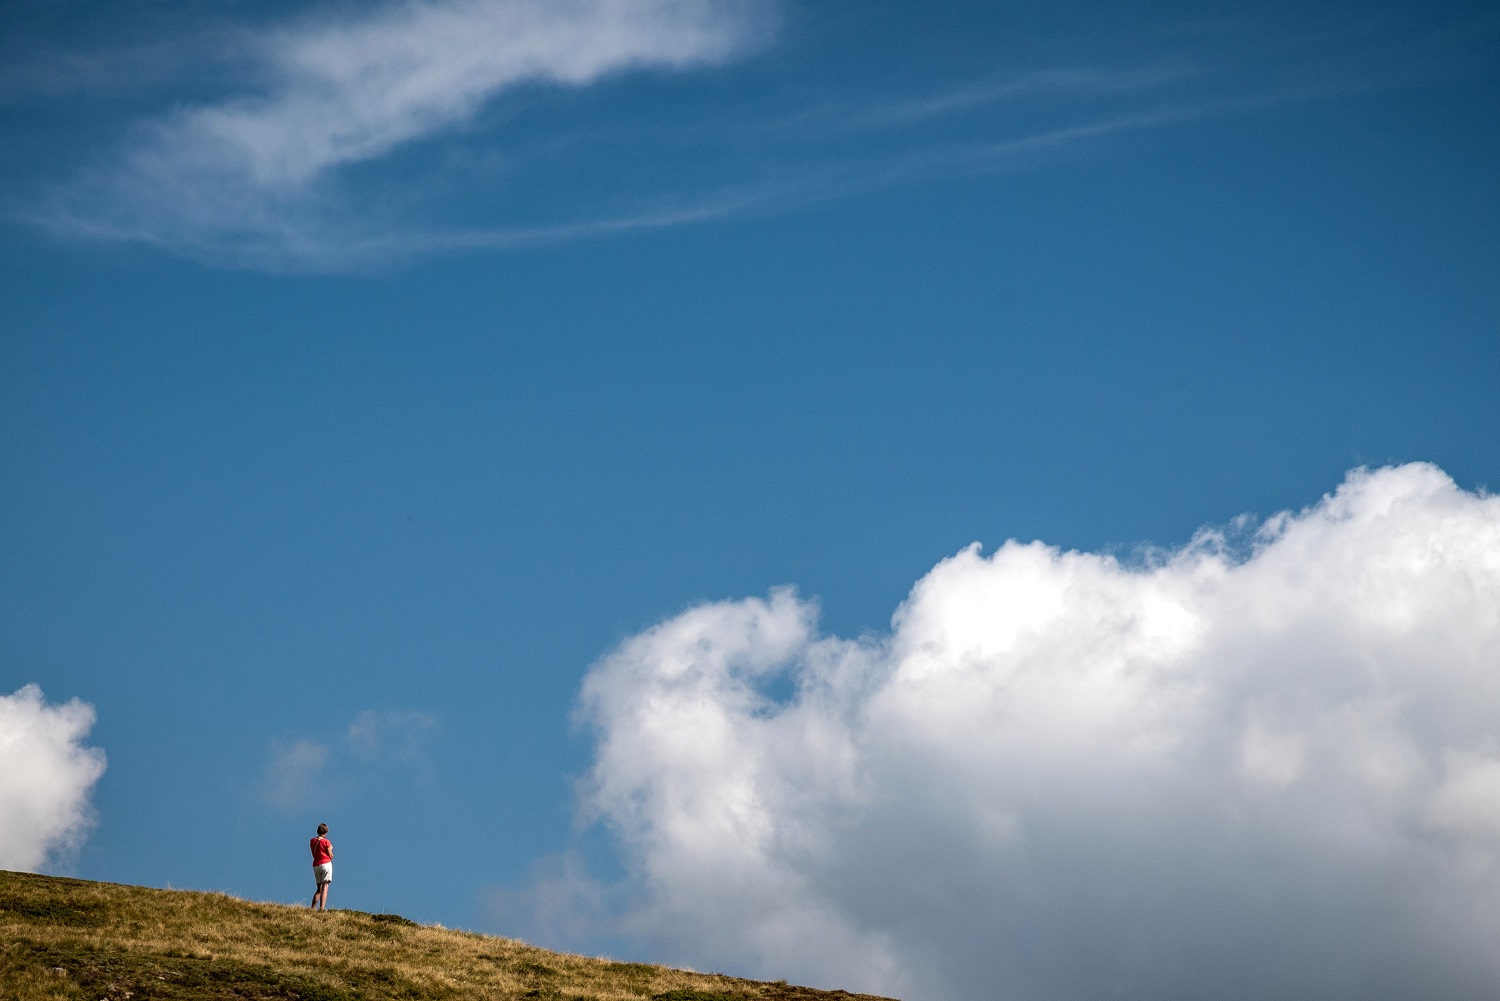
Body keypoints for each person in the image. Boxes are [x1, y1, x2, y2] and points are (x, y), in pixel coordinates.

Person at [310, 823, 334, 910]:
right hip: (326, 863)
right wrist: (330, 849)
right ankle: (322, 908)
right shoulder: (326, 842)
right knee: (325, 887)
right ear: (326, 832)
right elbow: (330, 855)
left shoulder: (312, 841)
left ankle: (312, 908)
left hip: (316, 865)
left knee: (318, 889)